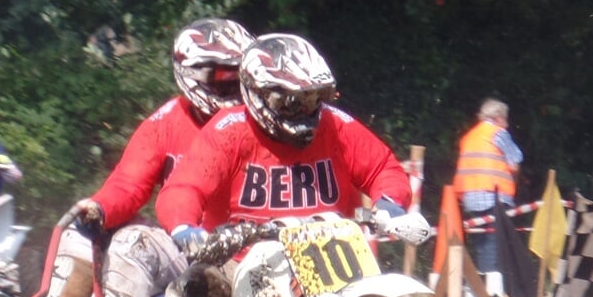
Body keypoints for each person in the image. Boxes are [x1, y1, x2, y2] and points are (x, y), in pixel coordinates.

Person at [0, 17, 252, 297]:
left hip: (247, 244)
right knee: (82, 233)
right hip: (187, 242)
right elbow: (128, 184)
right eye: (225, 78)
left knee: (130, 240)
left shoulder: (260, 122)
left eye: (241, 75)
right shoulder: (164, 123)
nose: (235, 86)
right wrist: (99, 208)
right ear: (193, 75)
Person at [157, 33, 433, 246]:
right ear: (259, 93)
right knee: (201, 286)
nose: (307, 109)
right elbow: (185, 186)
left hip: (331, 253)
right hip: (245, 259)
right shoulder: (229, 130)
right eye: (294, 101)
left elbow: (382, 167)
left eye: (314, 98)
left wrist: (388, 203)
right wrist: (184, 227)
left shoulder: (335, 124)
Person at [452, 98, 522, 274]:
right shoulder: (497, 133)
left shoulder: (469, 137)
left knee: (483, 246)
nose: (506, 124)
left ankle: (484, 286)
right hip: (495, 196)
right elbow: (514, 163)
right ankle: (491, 293)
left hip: (471, 199)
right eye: (505, 118)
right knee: (495, 247)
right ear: (498, 117)